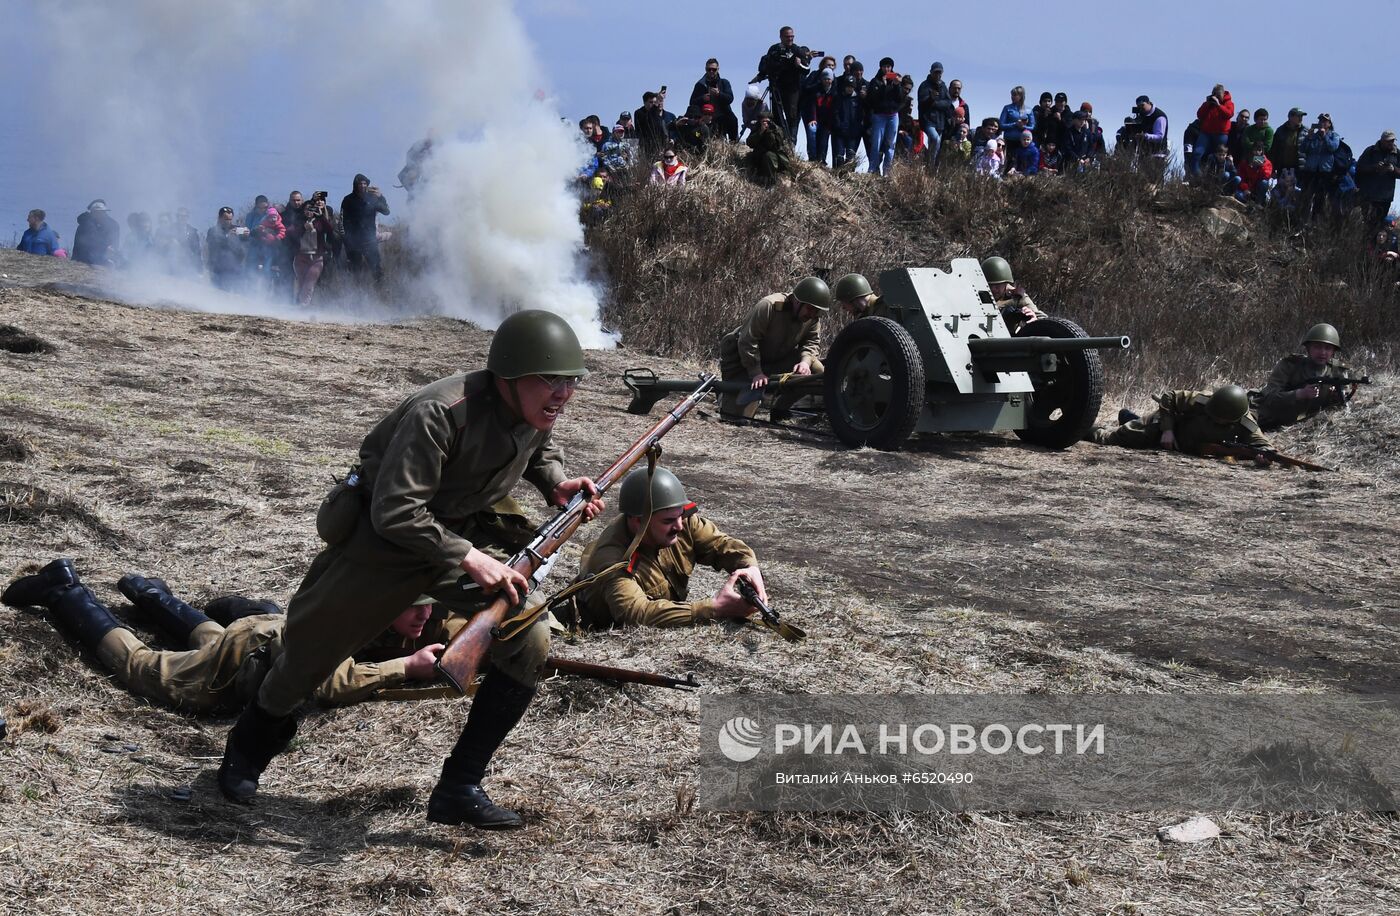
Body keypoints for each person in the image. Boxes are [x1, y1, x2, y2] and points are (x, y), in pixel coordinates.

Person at [215, 310, 604, 830]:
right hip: (385, 545)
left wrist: (555, 482)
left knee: (526, 635)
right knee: (307, 658)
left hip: (456, 537)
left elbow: (535, 445)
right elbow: (396, 511)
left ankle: (459, 786)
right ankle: (247, 749)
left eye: (570, 382)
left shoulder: (533, 411)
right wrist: (472, 557)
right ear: (509, 378)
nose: (562, 395)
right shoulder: (440, 413)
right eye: (550, 381)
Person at [1, 561, 454, 711]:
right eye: (416, 606)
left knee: (214, 640)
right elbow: (328, 680)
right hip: (254, 653)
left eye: (430, 605)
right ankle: (63, 591)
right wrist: (405, 667)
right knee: (145, 669)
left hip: (259, 636)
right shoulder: (354, 621)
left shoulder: (373, 600)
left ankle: (148, 593)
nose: (426, 614)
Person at [570, 468, 767, 629]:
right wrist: (714, 608)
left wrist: (750, 567)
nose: (680, 526)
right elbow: (637, 613)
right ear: (639, 523)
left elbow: (720, 545)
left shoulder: (680, 520)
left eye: (680, 515)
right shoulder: (612, 560)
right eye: (669, 521)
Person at [717, 276, 828, 420]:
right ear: (797, 301)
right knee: (736, 418)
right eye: (810, 308)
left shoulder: (812, 318)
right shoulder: (768, 306)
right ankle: (725, 395)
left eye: (816, 311)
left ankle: (780, 409)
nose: (812, 314)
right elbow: (748, 341)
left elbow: (812, 342)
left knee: (816, 369)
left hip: (775, 361)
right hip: (743, 365)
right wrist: (756, 372)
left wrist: (805, 363)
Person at [1090, 385, 1273, 455]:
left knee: (1137, 429)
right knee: (1114, 438)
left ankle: (1130, 418)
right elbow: (1169, 397)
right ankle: (1078, 429)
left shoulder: (1246, 424)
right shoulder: (1203, 400)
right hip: (1165, 428)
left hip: (1182, 443)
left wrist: (1263, 457)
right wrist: (1168, 430)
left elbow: (1266, 447)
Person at [1250, 324, 1360, 430]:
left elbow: (1342, 405)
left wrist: (1335, 397)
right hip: (1268, 416)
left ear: (1333, 351)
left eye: (1328, 348)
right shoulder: (1289, 365)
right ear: (1308, 348)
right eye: (1317, 347)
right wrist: (1299, 394)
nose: (1322, 352)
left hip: (1299, 425)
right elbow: (1269, 398)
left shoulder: (1337, 371)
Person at [757, 26, 821, 144]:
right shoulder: (774, 49)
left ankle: (791, 144)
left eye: (792, 36)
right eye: (787, 37)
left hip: (792, 90)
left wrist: (799, 65)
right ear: (781, 37)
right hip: (777, 88)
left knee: (792, 117)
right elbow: (767, 65)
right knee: (776, 116)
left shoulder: (797, 50)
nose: (790, 39)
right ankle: (778, 142)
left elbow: (806, 70)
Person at [340, 174, 391, 284]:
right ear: (355, 185)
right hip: (353, 242)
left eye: (364, 183)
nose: (362, 186)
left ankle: (382, 293)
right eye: (360, 183)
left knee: (377, 269)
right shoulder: (348, 199)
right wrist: (346, 240)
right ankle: (356, 295)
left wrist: (381, 196)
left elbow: (386, 212)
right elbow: (342, 220)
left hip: (370, 240)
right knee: (355, 271)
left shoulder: (372, 198)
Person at [292, 192, 338, 306]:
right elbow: (291, 233)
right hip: (300, 257)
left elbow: (330, 230)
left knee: (309, 283)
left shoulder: (319, 221)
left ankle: (303, 305)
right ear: (303, 210)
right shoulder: (299, 221)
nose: (309, 211)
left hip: (316, 258)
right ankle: (298, 303)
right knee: (301, 282)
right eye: (307, 209)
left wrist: (321, 216)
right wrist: (303, 227)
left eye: (312, 209)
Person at [981, 257, 1045, 332]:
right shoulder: (975, 294)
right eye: (989, 285)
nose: (993, 289)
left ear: (1006, 283)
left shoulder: (1017, 296)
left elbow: (1044, 319)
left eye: (997, 285)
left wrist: (1034, 319)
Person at [1298, 114, 1342, 223]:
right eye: (1320, 120)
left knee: (1320, 198)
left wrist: (1325, 136)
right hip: (1310, 170)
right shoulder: (1313, 135)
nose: (1322, 122)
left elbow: (1333, 147)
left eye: (1325, 121)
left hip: (1325, 172)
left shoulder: (1334, 135)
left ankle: (1315, 222)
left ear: (1329, 124)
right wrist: (1308, 137)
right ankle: (1302, 221)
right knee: (1306, 196)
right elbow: (1303, 149)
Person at [864, 57, 904, 176]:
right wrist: (883, 86)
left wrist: (897, 85)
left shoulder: (895, 81)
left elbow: (900, 99)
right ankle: (873, 169)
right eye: (884, 66)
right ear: (880, 67)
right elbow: (872, 100)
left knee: (890, 144)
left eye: (889, 66)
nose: (887, 69)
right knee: (876, 143)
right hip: (879, 116)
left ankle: (887, 171)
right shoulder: (875, 81)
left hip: (893, 116)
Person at [1356, 130, 1400, 230]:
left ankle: (1375, 245)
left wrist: (1393, 169)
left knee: (1379, 226)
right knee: (1368, 224)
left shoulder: (1397, 154)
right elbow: (1360, 168)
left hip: (1385, 197)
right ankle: (1364, 244)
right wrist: (1374, 167)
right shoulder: (1370, 151)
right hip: (1368, 195)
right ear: (1382, 140)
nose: (1391, 143)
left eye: (1393, 141)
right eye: (1389, 141)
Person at [1191, 84, 1235, 177]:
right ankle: (1197, 176)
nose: (1217, 97)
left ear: (1223, 94)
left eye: (1219, 95)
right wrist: (1207, 104)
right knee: (1197, 153)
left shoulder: (1229, 103)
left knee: (1218, 157)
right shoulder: (1209, 103)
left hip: (1221, 134)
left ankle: (1217, 178)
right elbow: (1199, 115)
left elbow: (1229, 114)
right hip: (1206, 133)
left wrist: (1219, 105)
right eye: (1215, 94)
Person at [744, 110, 798, 184]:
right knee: (766, 156)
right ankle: (767, 180)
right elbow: (749, 143)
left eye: (767, 121)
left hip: (776, 155)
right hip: (760, 156)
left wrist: (771, 131)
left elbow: (778, 143)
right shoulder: (757, 129)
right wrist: (761, 132)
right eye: (763, 121)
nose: (765, 123)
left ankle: (777, 180)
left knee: (776, 158)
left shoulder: (776, 129)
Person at [1123, 95, 1169, 179]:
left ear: (1148, 103)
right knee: (1143, 180)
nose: (1141, 108)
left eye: (1142, 105)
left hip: (1157, 154)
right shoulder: (1142, 116)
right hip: (1144, 153)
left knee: (1153, 180)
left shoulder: (1159, 116)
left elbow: (1160, 136)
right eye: (1139, 106)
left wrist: (1145, 136)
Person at [690, 60, 738, 142]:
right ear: (705, 69)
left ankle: (733, 143)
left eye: (714, 69)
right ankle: (700, 142)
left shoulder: (724, 82)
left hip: (722, 116)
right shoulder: (700, 85)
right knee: (696, 133)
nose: (711, 71)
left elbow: (730, 98)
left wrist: (719, 94)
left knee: (733, 119)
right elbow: (692, 102)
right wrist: (702, 98)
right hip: (705, 117)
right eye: (709, 69)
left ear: (718, 69)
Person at [206, 206, 248, 291]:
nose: (228, 222)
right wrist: (228, 236)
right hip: (218, 269)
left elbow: (243, 247)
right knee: (218, 292)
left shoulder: (236, 229)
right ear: (220, 218)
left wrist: (246, 236)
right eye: (226, 219)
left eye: (230, 219)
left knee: (237, 293)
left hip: (235, 267)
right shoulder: (213, 231)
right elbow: (213, 246)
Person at [916, 62, 950, 166]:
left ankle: (930, 166)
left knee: (934, 144)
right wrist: (930, 99)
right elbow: (922, 102)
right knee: (936, 139)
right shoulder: (924, 85)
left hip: (940, 121)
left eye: (940, 73)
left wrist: (935, 103)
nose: (938, 75)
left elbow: (947, 103)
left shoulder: (943, 86)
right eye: (936, 72)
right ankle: (930, 164)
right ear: (931, 72)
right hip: (928, 120)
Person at [72, 200, 120, 266]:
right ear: (92, 213)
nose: (100, 215)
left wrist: (112, 249)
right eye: (97, 213)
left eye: (102, 212)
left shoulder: (112, 224)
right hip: (84, 260)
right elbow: (89, 243)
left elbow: (115, 243)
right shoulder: (86, 224)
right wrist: (105, 248)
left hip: (104, 258)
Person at [801, 69, 835, 164]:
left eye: (829, 79)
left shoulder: (834, 92)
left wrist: (830, 124)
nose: (827, 81)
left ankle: (821, 160)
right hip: (816, 119)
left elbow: (834, 110)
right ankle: (812, 157)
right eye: (825, 79)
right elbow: (812, 106)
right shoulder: (816, 90)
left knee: (824, 140)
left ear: (832, 79)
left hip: (827, 122)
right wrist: (812, 119)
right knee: (811, 129)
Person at [831, 76, 865, 169]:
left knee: (850, 156)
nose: (849, 88)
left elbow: (861, 115)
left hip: (853, 133)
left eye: (851, 86)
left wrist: (858, 128)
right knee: (839, 156)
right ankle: (838, 176)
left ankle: (848, 177)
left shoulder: (858, 99)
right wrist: (838, 125)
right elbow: (835, 113)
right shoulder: (838, 97)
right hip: (840, 132)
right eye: (848, 86)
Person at [1269, 107, 1307, 185]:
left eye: (1301, 116)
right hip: (1282, 167)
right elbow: (1273, 151)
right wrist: (1272, 169)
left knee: (1297, 193)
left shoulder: (1305, 131)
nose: (1301, 118)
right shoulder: (1280, 131)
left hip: (1299, 168)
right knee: (1282, 192)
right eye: (1298, 116)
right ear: (1290, 117)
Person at [397, 130, 437, 200]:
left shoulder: (437, 147)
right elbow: (409, 155)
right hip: (414, 171)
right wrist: (413, 167)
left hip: (428, 174)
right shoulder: (420, 144)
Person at [634, 91, 669, 162]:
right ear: (644, 102)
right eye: (651, 102)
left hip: (659, 147)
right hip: (646, 148)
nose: (653, 104)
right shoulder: (639, 113)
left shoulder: (656, 113)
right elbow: (646, 121)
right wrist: (656, 104)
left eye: (654, 102)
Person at [172, 207, 203, 275]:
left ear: (187, 217)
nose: (182, 218)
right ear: (177, 217)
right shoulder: (171, 229)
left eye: (184, 216)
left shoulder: (193, 232)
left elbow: (197, 252)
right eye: (180, 216)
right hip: (172, 265)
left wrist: (200, 270)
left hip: (188, 265)